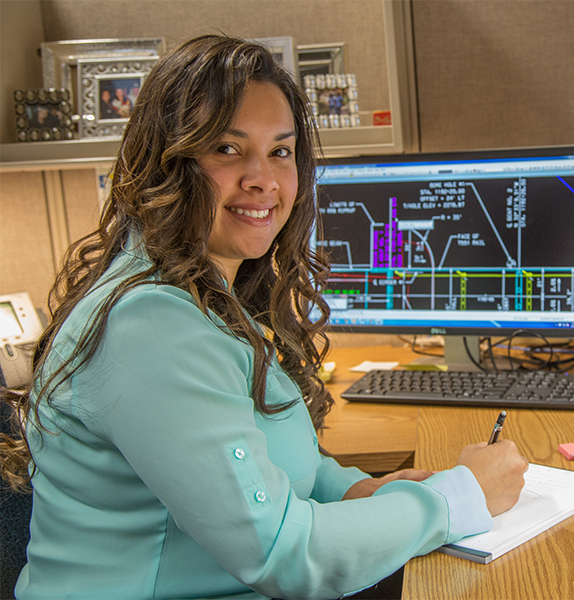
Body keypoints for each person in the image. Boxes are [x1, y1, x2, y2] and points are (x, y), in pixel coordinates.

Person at [0, 35, 527, 600]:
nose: (264, 179)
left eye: (280, 151)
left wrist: (358, 491)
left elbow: (280, 465)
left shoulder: (206, 295)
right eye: (228, 149)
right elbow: (285, 554)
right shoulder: (149, 325)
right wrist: (461, 496)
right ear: (165, 162)